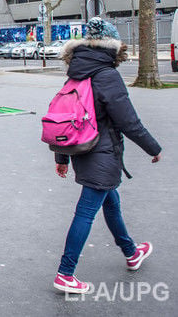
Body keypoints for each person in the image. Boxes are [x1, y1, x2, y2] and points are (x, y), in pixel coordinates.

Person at [52, 17, 162, 294]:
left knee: (110, 202)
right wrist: (153, 148)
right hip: (103, 152)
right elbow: (128, 121)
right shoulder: (107, 75)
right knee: (86, 212)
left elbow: (66, 115)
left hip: (82, 149)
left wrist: (62, 157)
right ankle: (65, 273)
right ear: (113, 48)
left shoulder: (77, 72)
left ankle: (131, 251)